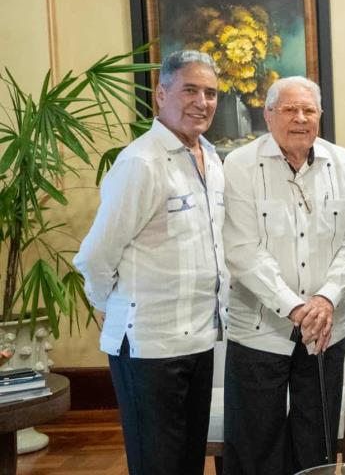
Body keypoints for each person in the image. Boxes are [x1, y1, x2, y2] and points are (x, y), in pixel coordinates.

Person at [74, 50, 225, 475]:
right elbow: (96, 254)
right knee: (157, 465)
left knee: (188, 462)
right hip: (149, 345)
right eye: (190, 90)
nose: (202, 102)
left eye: (211, 93)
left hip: (198, 338)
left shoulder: (211, 157)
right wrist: (107, 306)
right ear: (161, 94)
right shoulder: (140, 162)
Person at [221, 76, 345, 474]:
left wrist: (324, 301)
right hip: (258, 330)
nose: (300, 118)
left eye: (308, 110)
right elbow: (242, 249)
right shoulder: (239, 165)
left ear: (320, 116)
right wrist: (297, 308)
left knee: (315, 446)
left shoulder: (344, 164)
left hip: (326, 331)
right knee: (255, 449)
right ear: (268, 116)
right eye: (288, 109)